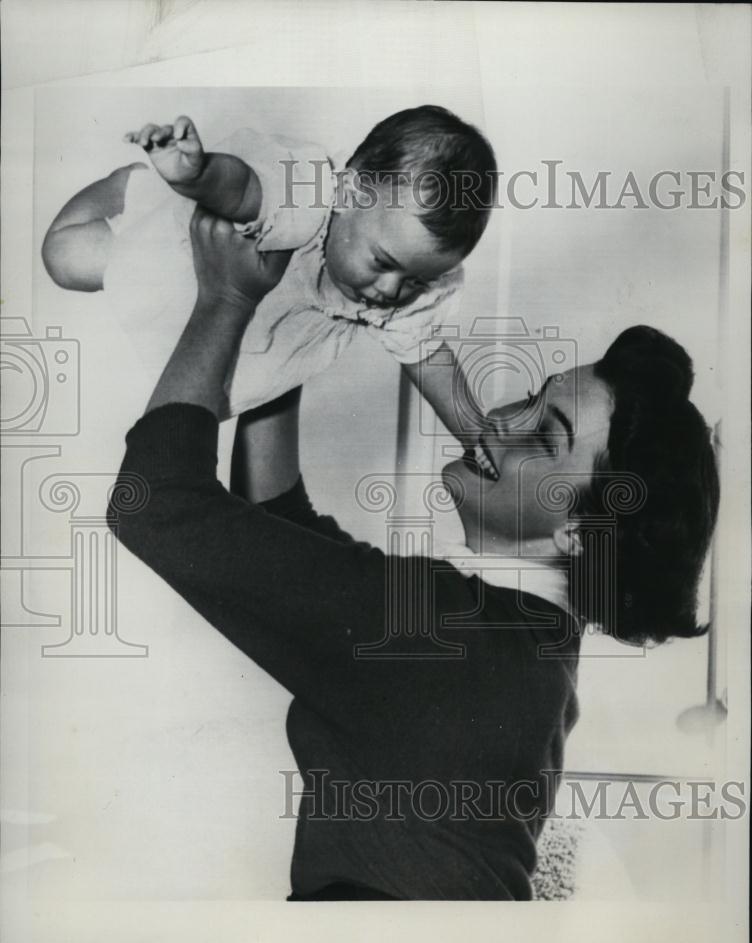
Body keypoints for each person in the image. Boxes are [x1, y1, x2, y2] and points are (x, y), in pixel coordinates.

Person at [107, 207, 719, 901]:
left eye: (544, 437)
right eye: (529, 398)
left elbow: (153, 502)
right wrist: (302, 321)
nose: (500, 420)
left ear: (578, 534)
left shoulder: (446, 636)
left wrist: (226, 299)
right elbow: (280, 522)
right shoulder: (522, 640)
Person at [42, 105, 497, 471]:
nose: (392, 290)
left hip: (242, 332)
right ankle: (136, 187)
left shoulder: (401, 292)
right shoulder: (307, 194)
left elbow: (426, 354)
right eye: (383, 263)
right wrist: (198, 175)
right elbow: (243, 190)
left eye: (415, 281)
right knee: (64, 258)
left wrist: (475, 433)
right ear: (349, 193)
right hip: (176, 261)